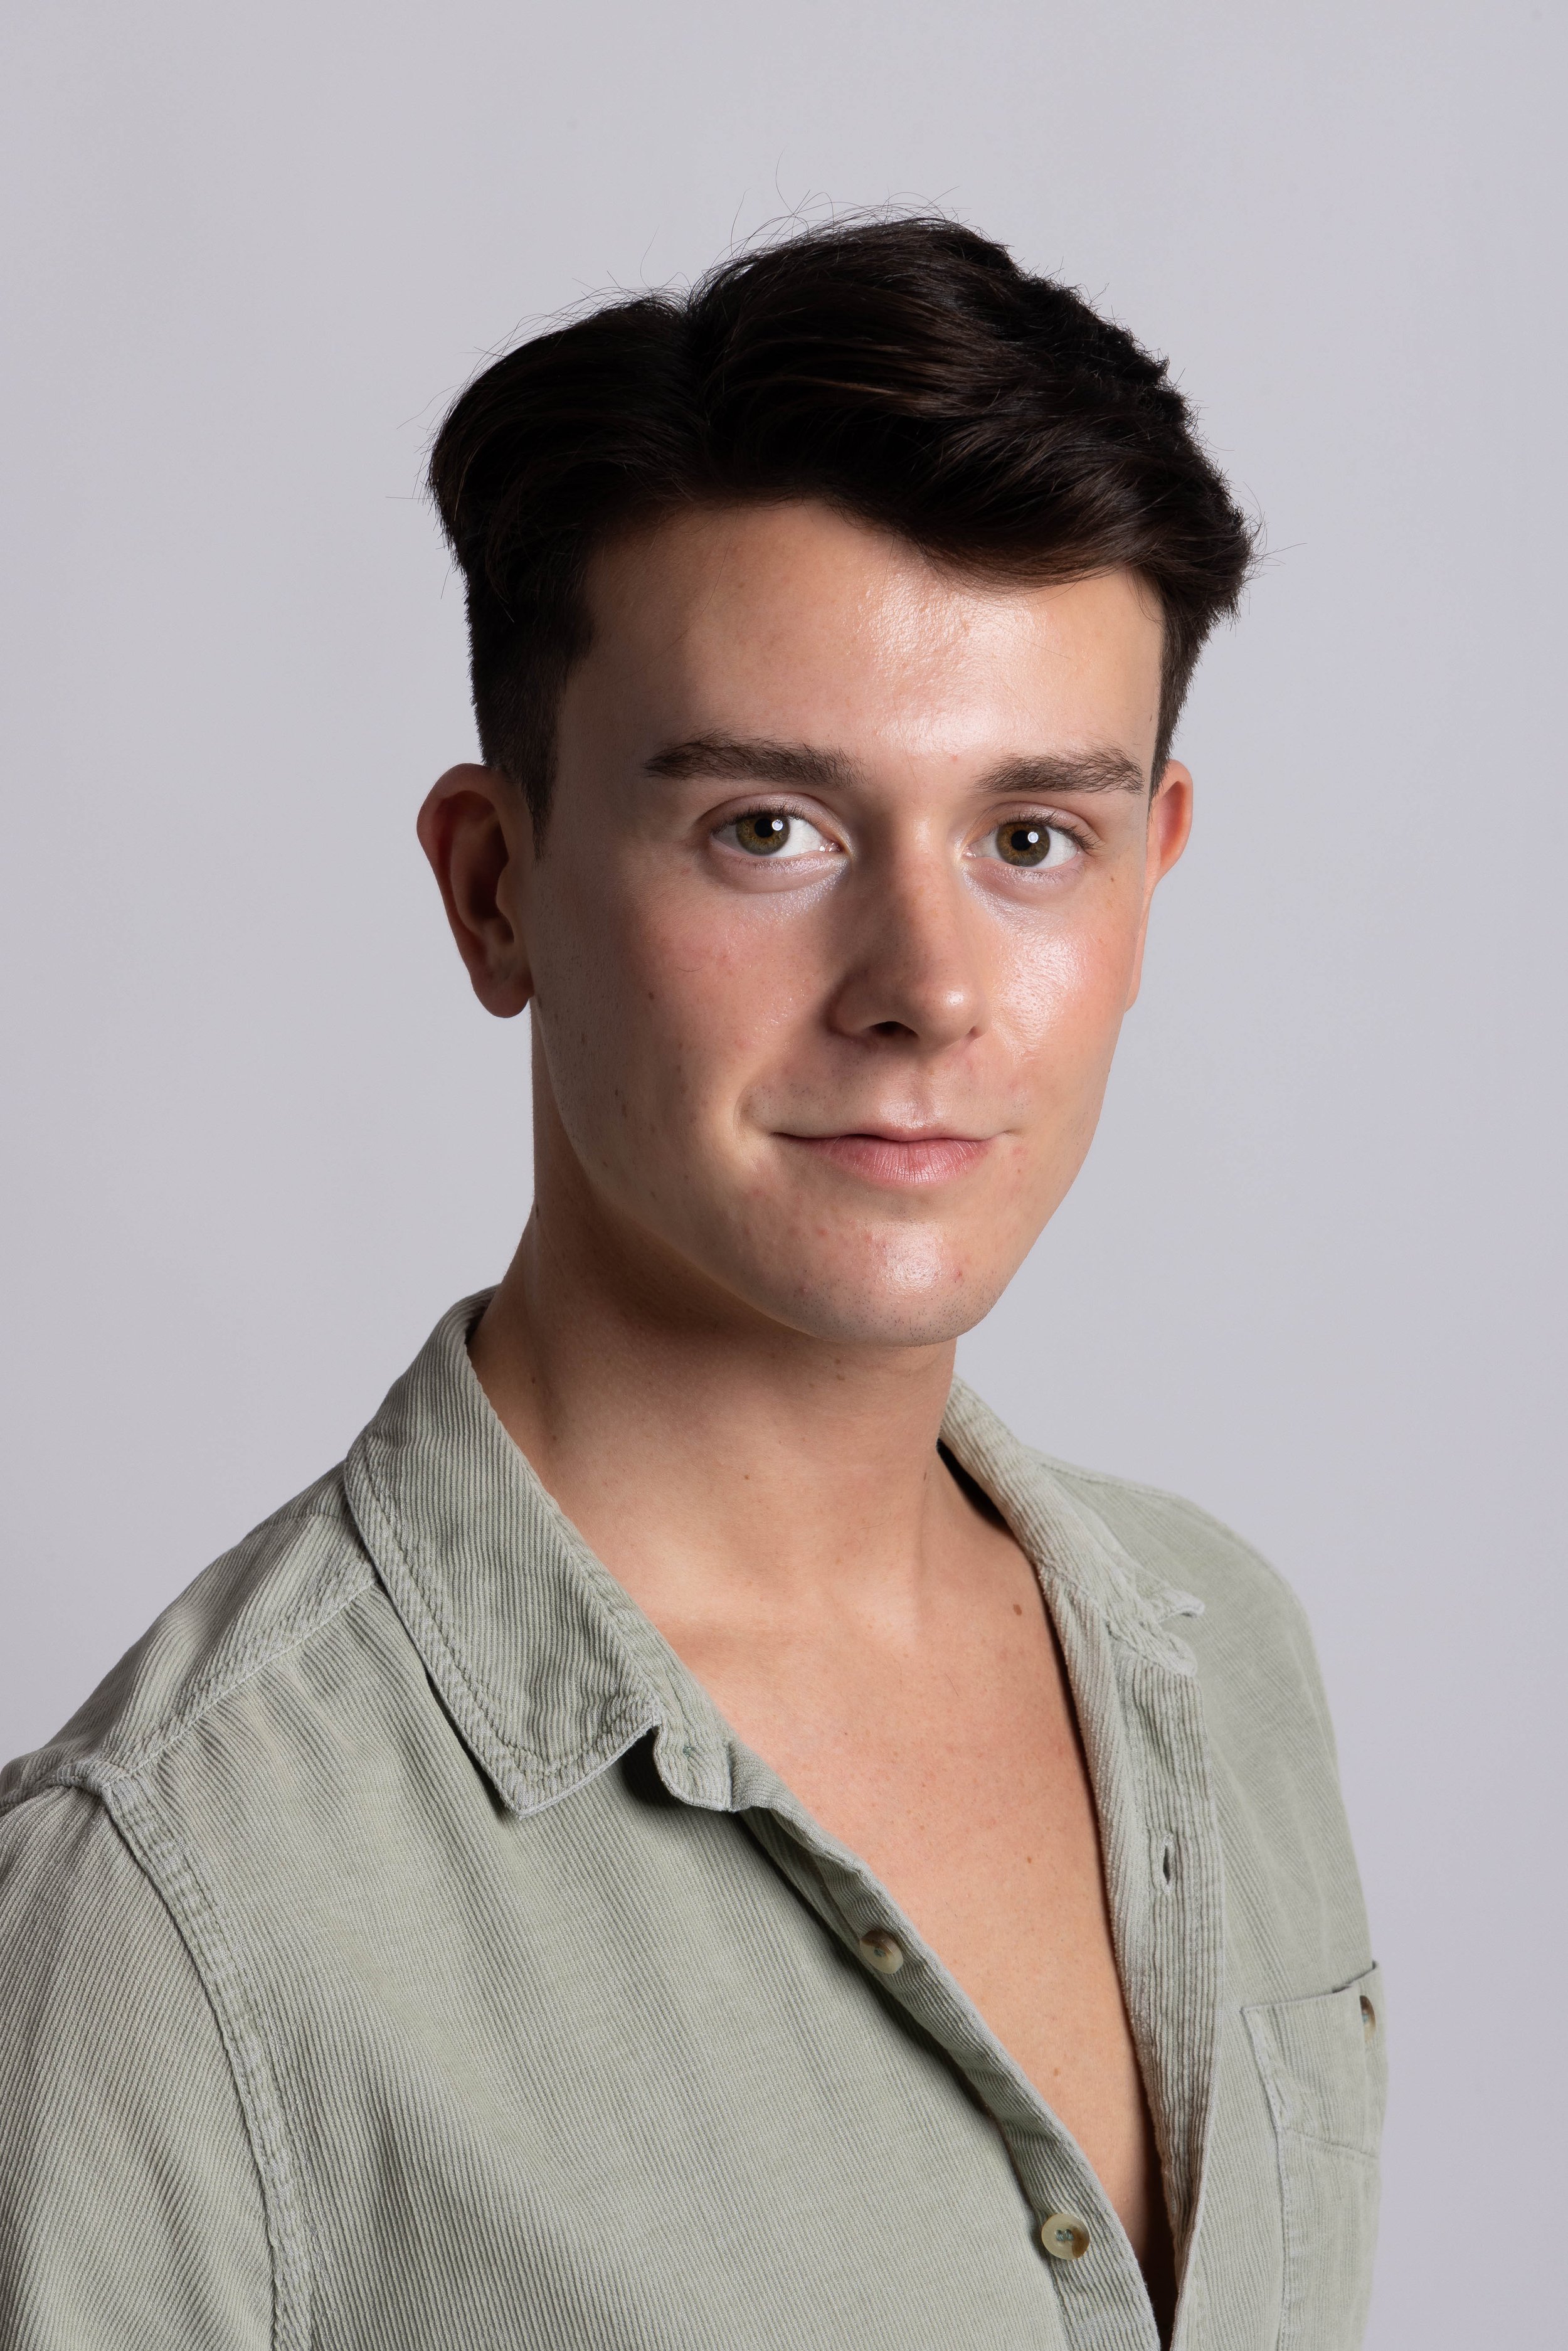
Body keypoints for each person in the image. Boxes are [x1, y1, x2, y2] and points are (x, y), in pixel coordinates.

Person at [0, 218, 1384, 2351]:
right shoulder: (167, 1913)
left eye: (1031, 837)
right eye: (768, 829)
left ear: (1150, 866)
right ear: (496, 890)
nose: (924, 988)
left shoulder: (1227, 1659)